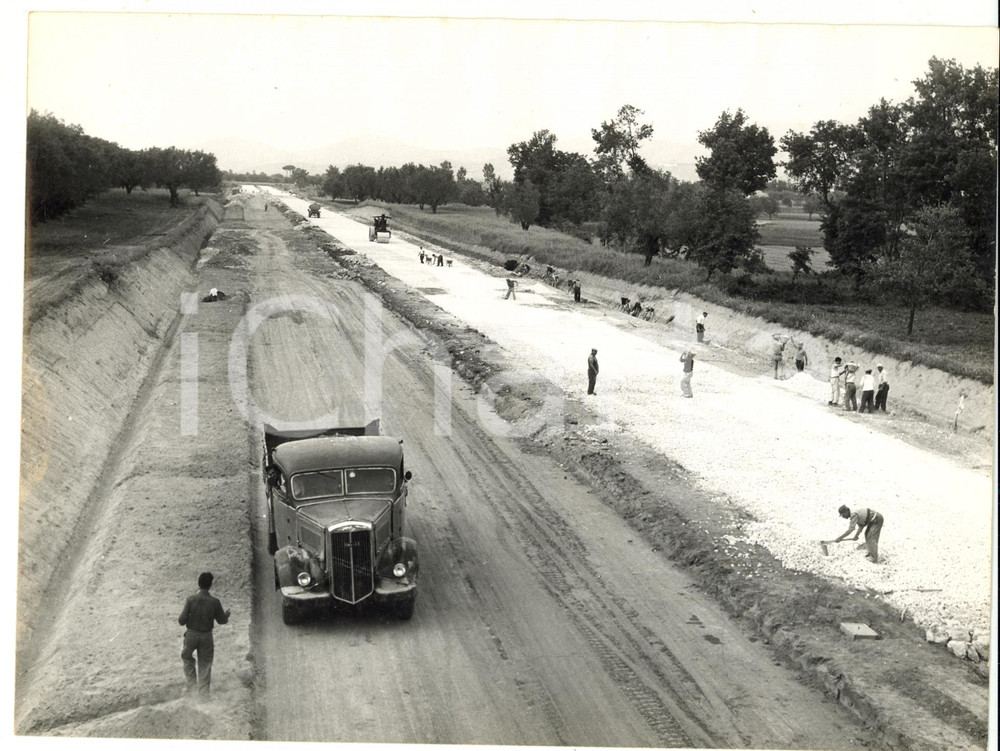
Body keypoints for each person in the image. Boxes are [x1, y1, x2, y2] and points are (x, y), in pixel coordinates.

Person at [179, 572, 231, 697]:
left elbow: (181, 621)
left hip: (191, 635)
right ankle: (203, 696)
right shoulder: (215, 602)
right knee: (205, 665)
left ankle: (192, 687)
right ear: (210, 585)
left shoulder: (190, 600)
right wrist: (227, 615)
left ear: (198, 583)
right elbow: (222, 621)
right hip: (206, 637)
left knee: (187, 658)